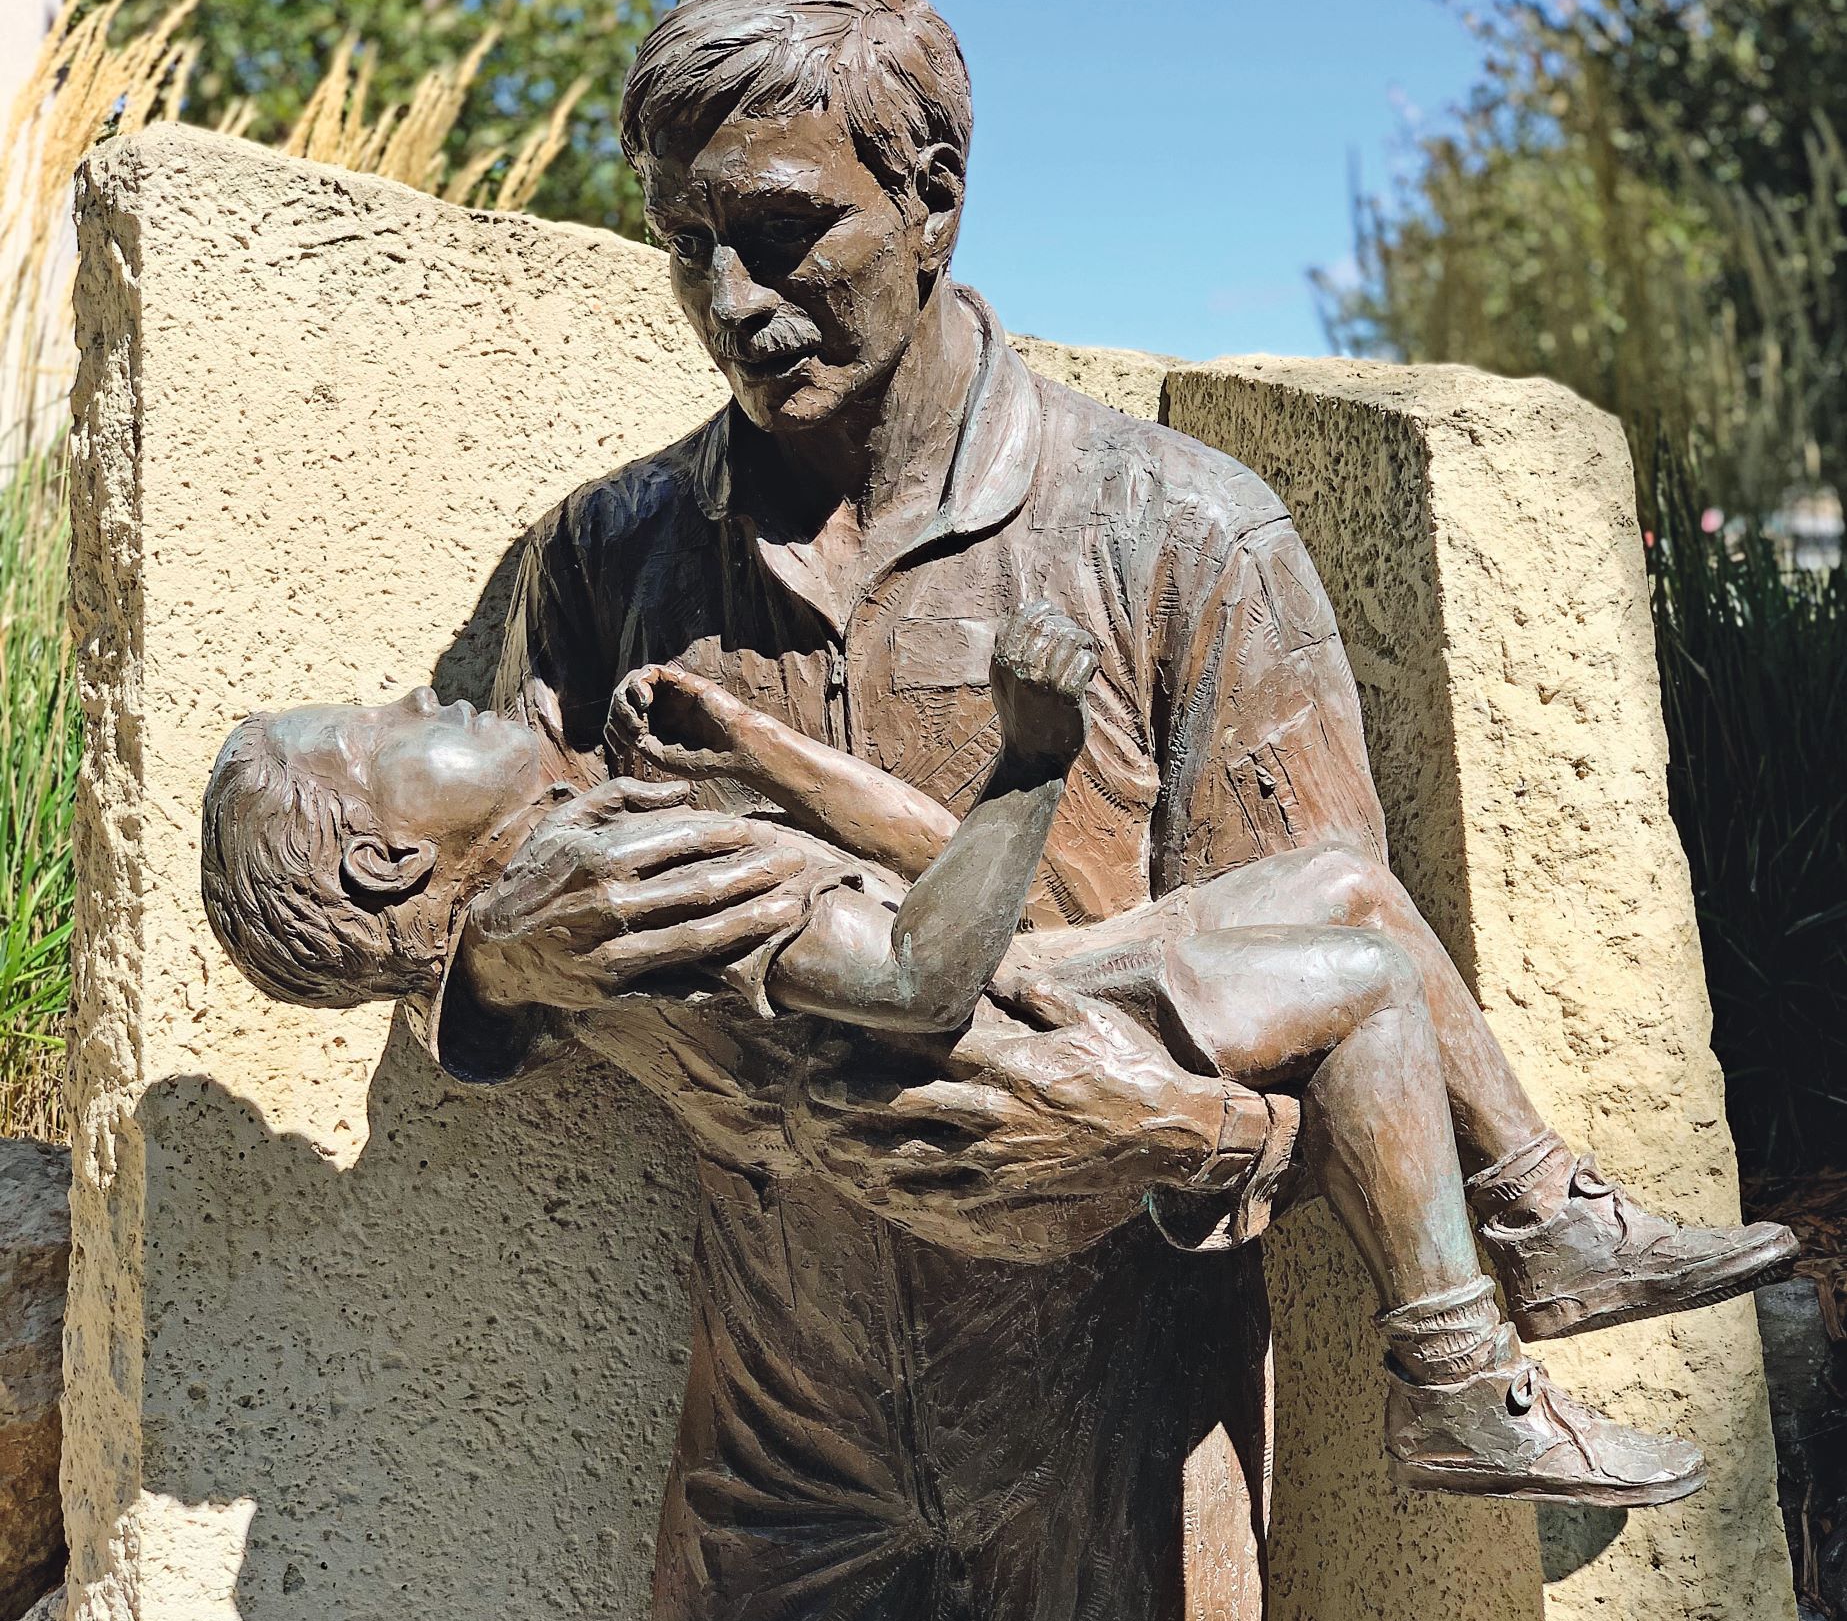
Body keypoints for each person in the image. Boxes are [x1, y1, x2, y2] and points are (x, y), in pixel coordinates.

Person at [246, 0, 1796, 1621]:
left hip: (1112, 1404)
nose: (735, 302)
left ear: (937, 198)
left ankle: (1508, 1277)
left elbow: (1325, 975)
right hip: (781, 1426)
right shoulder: (604, 561)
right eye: (689, 249)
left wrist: (1167, 1130)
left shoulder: (1179, 535)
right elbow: (442, 912)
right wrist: (507, 970)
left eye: (785, 235)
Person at [201, 609, 1721, 1512]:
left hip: (1011, 994)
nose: (427, 694)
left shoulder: (571, 889)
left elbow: (959, 886)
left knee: (1346, 886)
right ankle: (1455, 1374)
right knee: (1369, 984)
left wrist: (764, 750)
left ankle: (1542, 1217)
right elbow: (929, 978)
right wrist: (1040, 755)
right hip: (1003, 1074)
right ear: (394, 861)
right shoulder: (616, 898)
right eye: (391, 726)